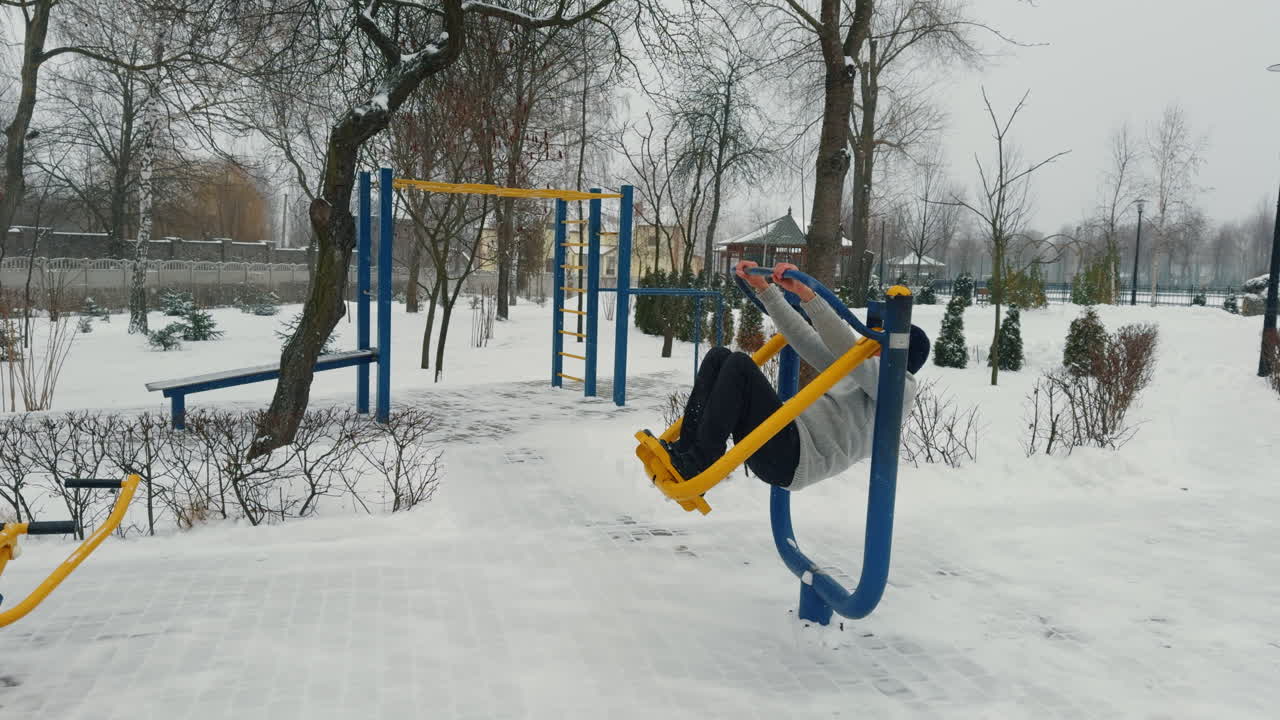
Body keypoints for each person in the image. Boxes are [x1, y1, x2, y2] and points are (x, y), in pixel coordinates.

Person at [659, 261, 929, 491]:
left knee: (740, 366)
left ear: (894, 355)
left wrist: (807, 295)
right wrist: (765, 289)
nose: (864, 343)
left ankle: (700, 461)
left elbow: (844, 344)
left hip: (795, 456)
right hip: (778, 440)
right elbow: (804, 338)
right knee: (719, 357)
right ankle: (687, 451)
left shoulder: (898, 390)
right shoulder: (855, 373)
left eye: (875, 344)